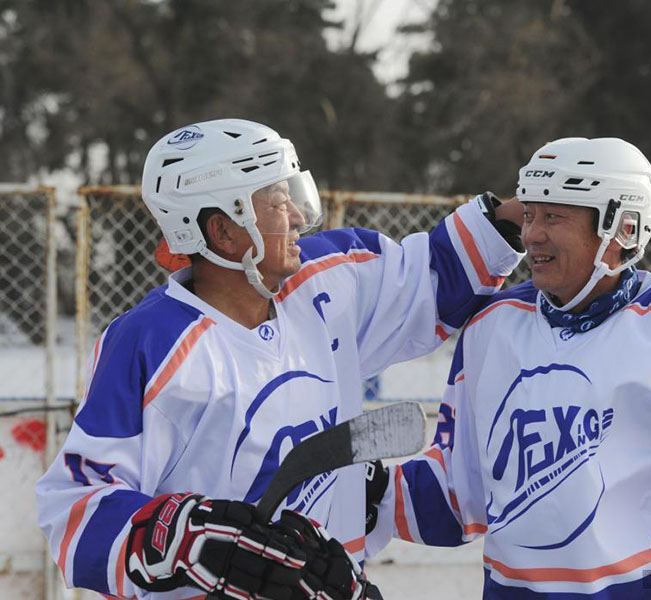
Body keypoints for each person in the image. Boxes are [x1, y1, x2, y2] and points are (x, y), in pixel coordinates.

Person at [35, 118, 524, 599]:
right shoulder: (148, 343)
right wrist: (184, 536)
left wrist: (540, 206)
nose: (296, 214)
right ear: (223, 231)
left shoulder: (327, 278)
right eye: (275, 200)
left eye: (292, 192)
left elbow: (438, 276)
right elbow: (75, 511)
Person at [365, 137, 651, 599]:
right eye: (530, 214)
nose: (530, 234)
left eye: (554, 216)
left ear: (623, 228)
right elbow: (458, 494)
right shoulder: (491, 328)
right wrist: (366, 492)